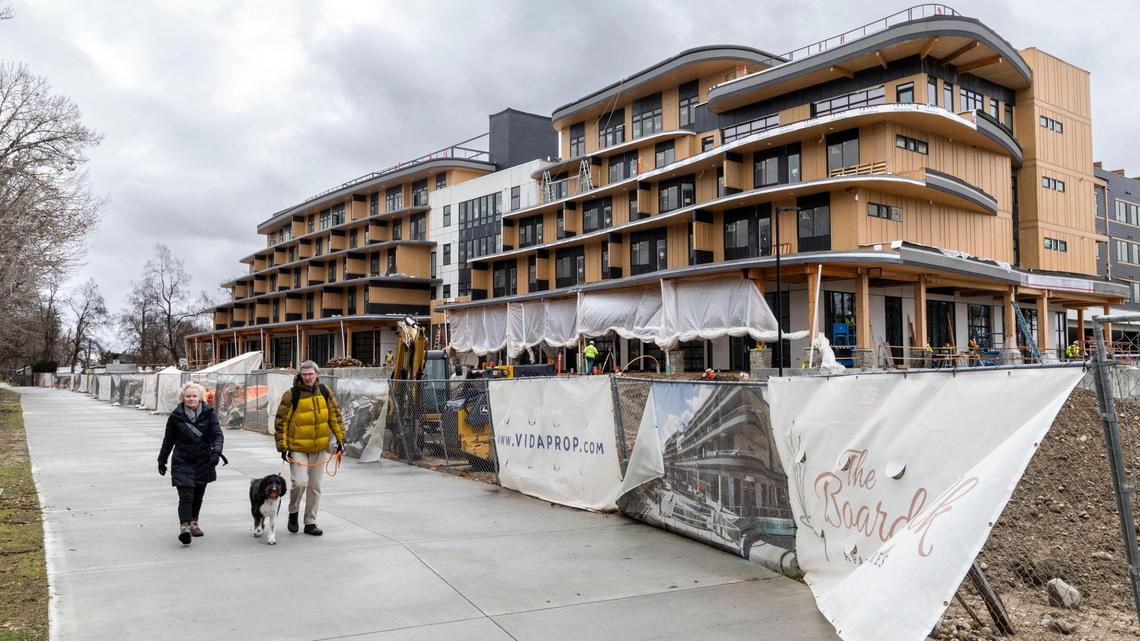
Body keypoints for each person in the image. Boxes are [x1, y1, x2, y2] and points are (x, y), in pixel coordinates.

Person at [274, 360, 346, 536]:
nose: (307, 377)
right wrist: (283, 447)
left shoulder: (324, 392)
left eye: (310, 374)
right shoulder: (292, 395)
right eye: (304, 374)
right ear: (300, 375)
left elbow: (335, 417)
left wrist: (341, 440)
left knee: (315, 486)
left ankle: (310, 522)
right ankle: (293, 512)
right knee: (299, 483)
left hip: (320, 448)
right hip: (297, 447)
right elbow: (281, 422)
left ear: (317, 374)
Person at [157, 382, 224, 545]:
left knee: (198, 495)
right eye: (188, 396)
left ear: (200, 397)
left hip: (203, 460)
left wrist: (216, 451)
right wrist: (162, 458)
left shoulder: (209, 414)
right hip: (182, 460)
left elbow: (217, 435)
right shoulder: (176, 416)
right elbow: (169, 439)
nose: (191, 399)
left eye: (194, 396)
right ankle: (185, 527)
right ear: (183, 398)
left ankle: (194, 522)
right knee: (186, 495)